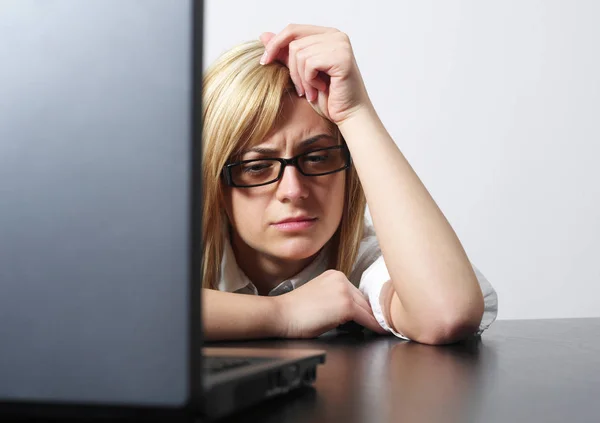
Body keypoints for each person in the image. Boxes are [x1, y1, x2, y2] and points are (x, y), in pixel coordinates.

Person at [201, 24, 498, 345]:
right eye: (257, 167)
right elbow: (137, 310)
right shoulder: (186, 252)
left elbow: (446, 315)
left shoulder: (367, 262)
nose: (293, 191)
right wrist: (282, 313)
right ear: (214, 181)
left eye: (317, 158)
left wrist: (355, 113)